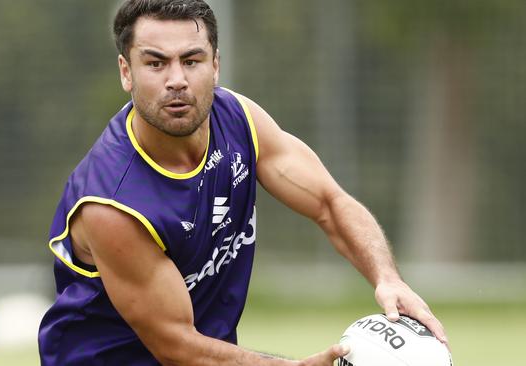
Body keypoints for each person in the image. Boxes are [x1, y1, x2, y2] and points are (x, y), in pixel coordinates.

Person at [38, 0, 448, 365]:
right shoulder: (113, 205)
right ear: (126, 72)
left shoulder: (239, 121)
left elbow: (329, 203)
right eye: (156, 62)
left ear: (215, 65)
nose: (176, 79)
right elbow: (177, 347)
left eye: (192, 60)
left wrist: (388, 279)